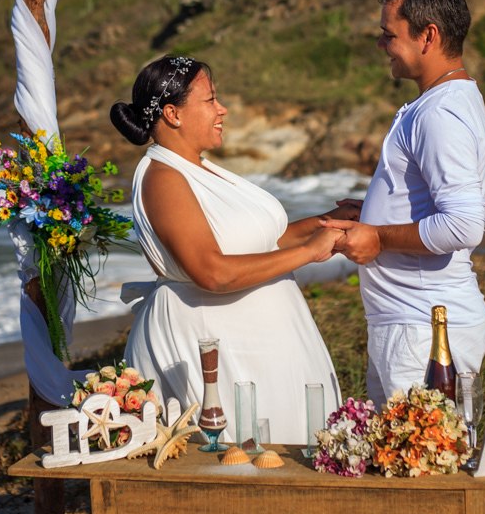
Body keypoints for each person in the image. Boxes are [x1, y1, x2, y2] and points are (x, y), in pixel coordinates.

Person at [111, 55, 352, 444]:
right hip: (213, 343)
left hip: (260, 343)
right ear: (173, 113)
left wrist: (329, 221)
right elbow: (213, 272)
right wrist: (311, 252)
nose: (222, 110)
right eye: (210, 100)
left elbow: (262, 240)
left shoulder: (200, 168)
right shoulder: (163, 178)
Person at [321, 0, 485, 407]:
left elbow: (462, 226)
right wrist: (374, 212)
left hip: (423, 329)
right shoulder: (443, 101)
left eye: (389, 34)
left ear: (427, 36)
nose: (381, 45)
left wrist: (377, 235)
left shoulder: (439, 113)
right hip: (411, 321)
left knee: (420, 471)